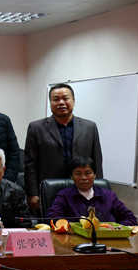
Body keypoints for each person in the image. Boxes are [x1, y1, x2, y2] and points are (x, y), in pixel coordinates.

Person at [24, 83, 103, 212]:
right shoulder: (36, 128)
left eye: (65, 98)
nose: (61, 102)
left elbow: (97, 161)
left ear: (73, 101)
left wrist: (99, 189)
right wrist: (33, 194)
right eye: (56, 99)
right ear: (50, 103)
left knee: (82, 221)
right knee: (52, 222)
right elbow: (30, 164)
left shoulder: (90, 127)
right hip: (50, 190)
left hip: (82, 189)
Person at [47, 156, 137, 226]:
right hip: (74, 240)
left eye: (88, 173)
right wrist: (74, 227)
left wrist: (115, 228)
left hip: (107, 240)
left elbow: (130, 218)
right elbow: (53, 218)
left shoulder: (108, 196)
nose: (83, 178)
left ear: (94, 175)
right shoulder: (64, 195)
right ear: (71, 177)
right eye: (78, 174)